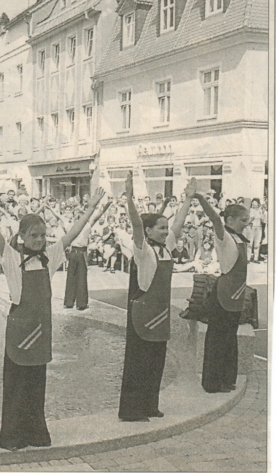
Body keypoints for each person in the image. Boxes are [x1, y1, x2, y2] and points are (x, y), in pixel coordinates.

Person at [0, 171, 106, 450]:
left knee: (37, 386)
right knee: (16, 386)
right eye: (34, 235)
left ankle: (36, 433)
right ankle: (13, 437)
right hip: (19, 330)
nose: (40, 240)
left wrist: (90, 209)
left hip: (40, 330)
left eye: (42, 235)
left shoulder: (49, 258)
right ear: (23, 236)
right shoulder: (11, 257)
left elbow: (72, 233)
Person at [118, 174, 195, 422]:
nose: (165, 231)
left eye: (165, 228)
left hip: (160, 314)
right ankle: (132, 410)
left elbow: (179, 224)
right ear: (149, 230)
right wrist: (129, 198)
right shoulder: (144, 251)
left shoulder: (166, 248)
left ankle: (150, 404)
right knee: (138, 363)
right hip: (142, 313)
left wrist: (188, 199)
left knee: (156, 362)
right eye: (160, 228)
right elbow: (136, 224)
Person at [195, 196, 251, 393]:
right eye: (243, 220)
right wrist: (200, 197)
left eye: (247, 219)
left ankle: (227, 378)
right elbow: (214, 219)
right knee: (217, 339)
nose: (247, 223)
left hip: (236, 293)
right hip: (224, 292)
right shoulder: (224, 236)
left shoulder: (239, 239)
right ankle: (212, 382)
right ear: (230, 220)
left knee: (229, 338)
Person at [64, 199, 111, 310]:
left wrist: (107, 205)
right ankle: (79, 303)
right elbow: (98, 215)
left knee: (73, 277)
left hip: (76, 252)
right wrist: (107, 205)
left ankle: (71, 302)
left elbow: (98, 215)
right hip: (79, 252)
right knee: (80, 278)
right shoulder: (83, 225)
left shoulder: (72, 226)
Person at [247, 199, 264, 263]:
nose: (254, 205)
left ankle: (255, 258)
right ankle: (248, 258)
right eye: (253, 203)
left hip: (259, 227)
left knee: (257, 244)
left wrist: (262, 213)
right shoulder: (251, 210)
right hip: (252, 227)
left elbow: (263, 220)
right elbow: (250, 219)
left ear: (258, 204)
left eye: (255, 203)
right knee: (250, 243)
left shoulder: (260, 210)